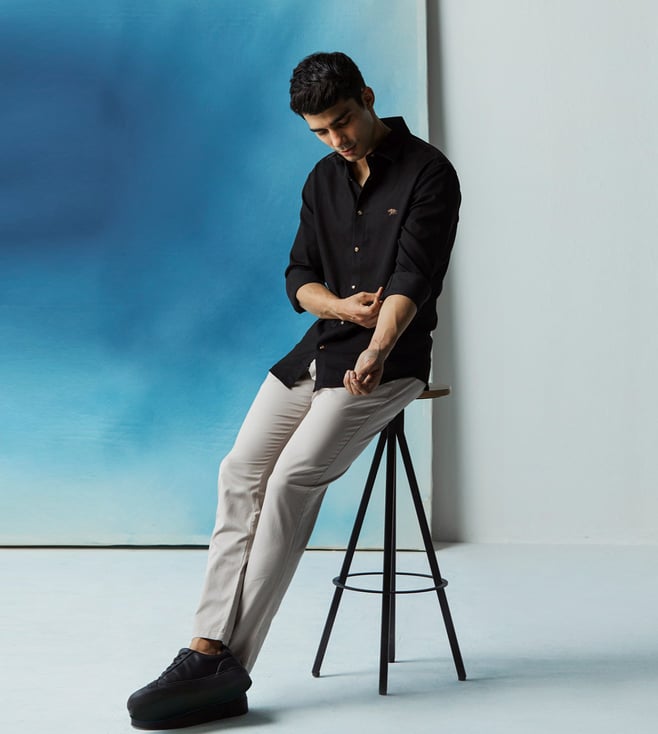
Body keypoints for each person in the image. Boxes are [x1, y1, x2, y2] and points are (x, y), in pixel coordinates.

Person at [127, 51, 460, 730]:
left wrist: (375, 348)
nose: (337, 139)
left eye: (343, 121)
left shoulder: (429, 173)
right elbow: (299, 276)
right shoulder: (321, 180)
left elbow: (413, 279)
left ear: (368, 97)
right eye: (320, 131)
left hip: (390, 363)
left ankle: (231, 667)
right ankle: (203, 646)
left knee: (291, 481)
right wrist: (338, 309)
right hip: (316, 352)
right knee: (239, 472)